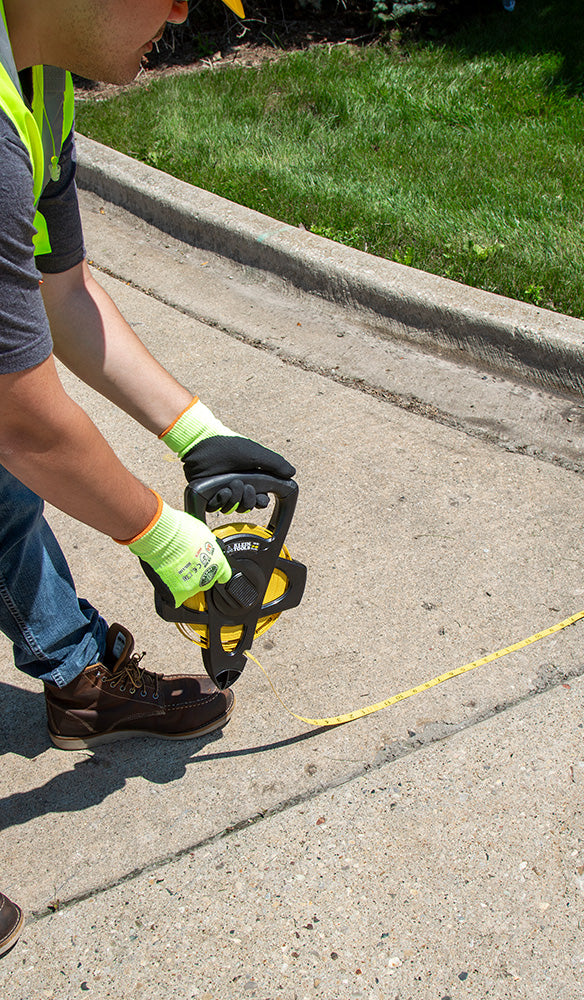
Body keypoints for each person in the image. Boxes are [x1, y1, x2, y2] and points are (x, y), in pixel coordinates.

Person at [0, 0, 289, 959]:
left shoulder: (37, 80)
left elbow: (62, 292)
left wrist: (200, 433)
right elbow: (20, 413)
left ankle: (79, 677)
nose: (183, 11)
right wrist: (165, 538)